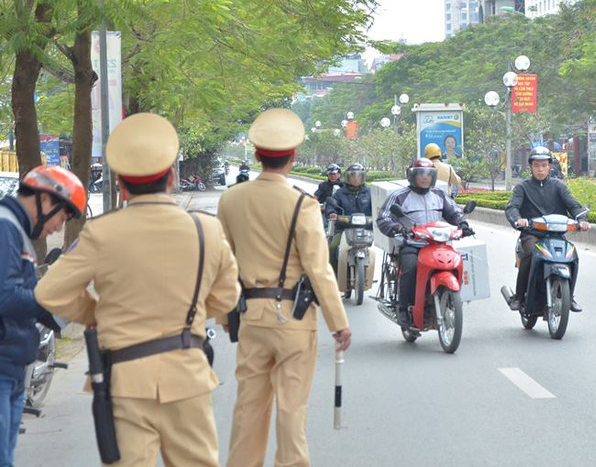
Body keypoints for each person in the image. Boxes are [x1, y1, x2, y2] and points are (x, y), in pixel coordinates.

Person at [36, 113, 241, 467]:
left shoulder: (102, 233)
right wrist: (188, 313)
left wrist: (97, 313)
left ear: (121, 185)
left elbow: (49, 292)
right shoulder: (206, 229)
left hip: (125, 378)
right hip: (188, 374)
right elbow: (227, 297)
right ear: (172, 177)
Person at [217, 108, 351, 467]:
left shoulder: (231, 200)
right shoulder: (302, 204)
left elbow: (223, 264)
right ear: (292, 157)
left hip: (250, 318)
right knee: (292, 409)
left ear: (258, 155)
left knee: (248, 409)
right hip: (293, 318)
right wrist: (338, 322)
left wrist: (223, 317)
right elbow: (318, 269)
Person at [0, 165, 85, 466]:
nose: (59, 228)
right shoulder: (5, 227)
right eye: (63, 217)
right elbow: (6, 298)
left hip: (12, 368)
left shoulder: (15, 230)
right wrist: (54, 300)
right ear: (46, 201)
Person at [376, 158, 472, 327]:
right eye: (420, 173)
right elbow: (383, 218)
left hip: (438, 244)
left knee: (457, 262)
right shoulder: (399, 196)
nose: (425, 178)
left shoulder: (439, 194)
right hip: (411, 244)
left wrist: (463, 224)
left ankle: (450, 298)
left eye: (429, 174)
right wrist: (397, 228)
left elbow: (454, 213)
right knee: (411, 268)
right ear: (411, 175)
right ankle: (404, 308)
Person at [504, 146, 589, 313]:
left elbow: (574, 206)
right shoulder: (523, 188)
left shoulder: (559, 186)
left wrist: (582, 219)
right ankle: (519, 296)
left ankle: (569, 296)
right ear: (530, 167)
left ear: (550, 166)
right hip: (532, 235)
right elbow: (512, 207)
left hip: (556, 235)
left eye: (544, 165)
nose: (540, 169)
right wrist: (518, 219)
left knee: (572, 255)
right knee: (529, 254)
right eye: (536, 165)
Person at [326, 163, 374, 289]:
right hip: (343, 228)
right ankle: (333, 278)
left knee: (372, 251)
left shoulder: (370, 192)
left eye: (359, 176)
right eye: (353, 176)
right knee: (333, 247)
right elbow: (331, 205)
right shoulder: (340, 193)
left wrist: (378, 214)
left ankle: (367, 276)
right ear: (348, 177)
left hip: (365, 228)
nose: (356, 179)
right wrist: (331, 213)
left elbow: (377, 207)